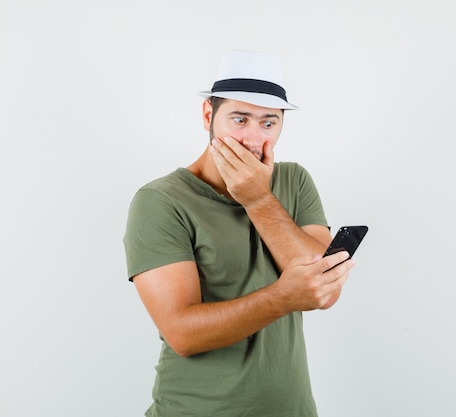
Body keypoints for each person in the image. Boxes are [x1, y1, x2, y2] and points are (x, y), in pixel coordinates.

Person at [123, 50, 355, 417]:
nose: (251, 138)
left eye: (268, 123)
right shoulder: (161, 201)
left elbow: (323, 292)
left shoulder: (294, 181)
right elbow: (182, 333)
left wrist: (259, 199)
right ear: (207, 116)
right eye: (239, 119)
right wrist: (282, 297)